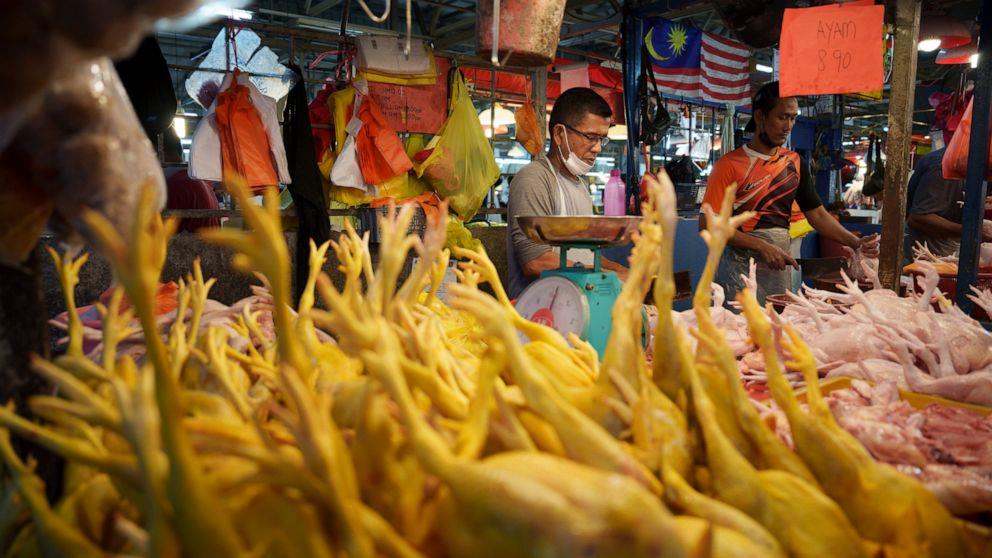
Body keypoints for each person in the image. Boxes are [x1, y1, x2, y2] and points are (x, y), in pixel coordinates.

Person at [700, 81, 878, 303]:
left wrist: (855, 242)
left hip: (778, 269)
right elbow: (708, 224)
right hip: (738, 273)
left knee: (777, 327)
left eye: (793, 118)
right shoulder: (729, 165)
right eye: (782, 117)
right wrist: (761, 245)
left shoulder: (794, 162)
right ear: (760, 117)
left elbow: (818, 215)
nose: (788, 126)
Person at [507, 87, 629, 298]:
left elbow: (586, 255)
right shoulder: (534, 179)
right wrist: (609, 278)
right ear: (559, 134)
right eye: (590, 137)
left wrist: (624, 272)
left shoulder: (580, 185)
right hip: (543, 310)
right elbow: (536, 262)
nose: (598, 148)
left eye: (602, 139)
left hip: (582, 302)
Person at [904, 147, 992, 262]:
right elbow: (919, 218)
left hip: (952, 251)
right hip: (924, 256)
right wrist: (973, 230)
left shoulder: (979, 166)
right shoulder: (944, 166)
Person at [162, 133, 221, 233]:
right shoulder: (195, 180)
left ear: (165, 154)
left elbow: (157, 236)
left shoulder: (175, 185)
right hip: (208, 247)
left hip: (196, 248)